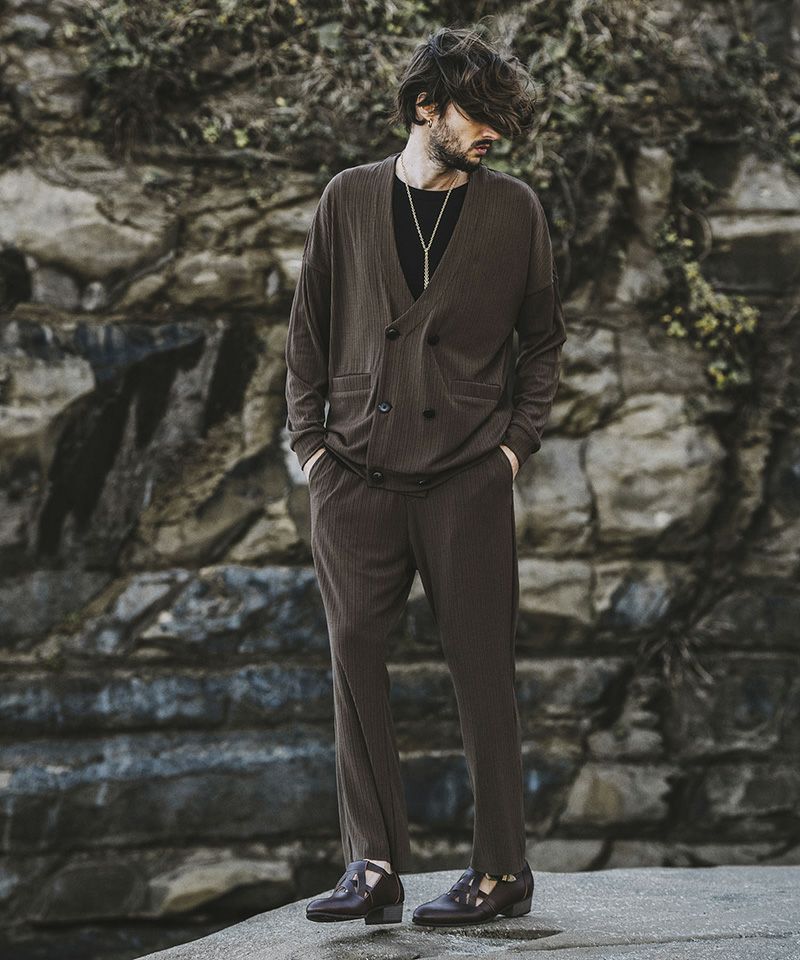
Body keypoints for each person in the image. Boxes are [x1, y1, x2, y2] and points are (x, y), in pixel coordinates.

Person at [286, 25, 567, 927]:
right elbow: (307, 331)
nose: (495, 133)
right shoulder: (347, 197)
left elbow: (544, 342)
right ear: (424, 107)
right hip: (353, 475)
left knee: (483, 671)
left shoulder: (515, 209)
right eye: (479, 114)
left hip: (466, 479)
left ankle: (501, 871)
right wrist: (310, 448)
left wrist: (513, 450)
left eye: (502, 119)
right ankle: (372, 865)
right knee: (354, 660)